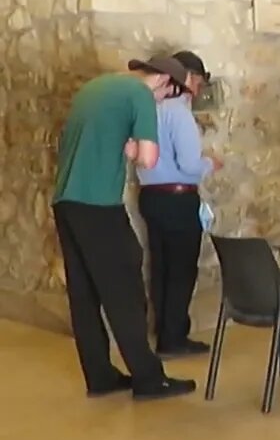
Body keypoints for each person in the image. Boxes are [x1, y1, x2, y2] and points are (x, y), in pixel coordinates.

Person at [52, 56, 198, 401]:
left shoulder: (94, 87)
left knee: (84, 293)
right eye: (168, 95)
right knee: (125, 289)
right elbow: (148, 158)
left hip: (66, 201)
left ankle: (100, 376)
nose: (162, 103)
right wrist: (133, 147)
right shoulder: (140, 95)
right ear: (164, 81)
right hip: (100, 205)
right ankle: (149, 379)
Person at [137, 51, 222, 357]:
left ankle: (163, 332)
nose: (198, 90)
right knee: (182, 269)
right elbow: (188, 164)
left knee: (161, 267)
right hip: (177, 197)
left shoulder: (148, 106)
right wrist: (209, 164)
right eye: (198, 82)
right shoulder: (179, 112)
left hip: (150, 195)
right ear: (188, 78)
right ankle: (174, 338)